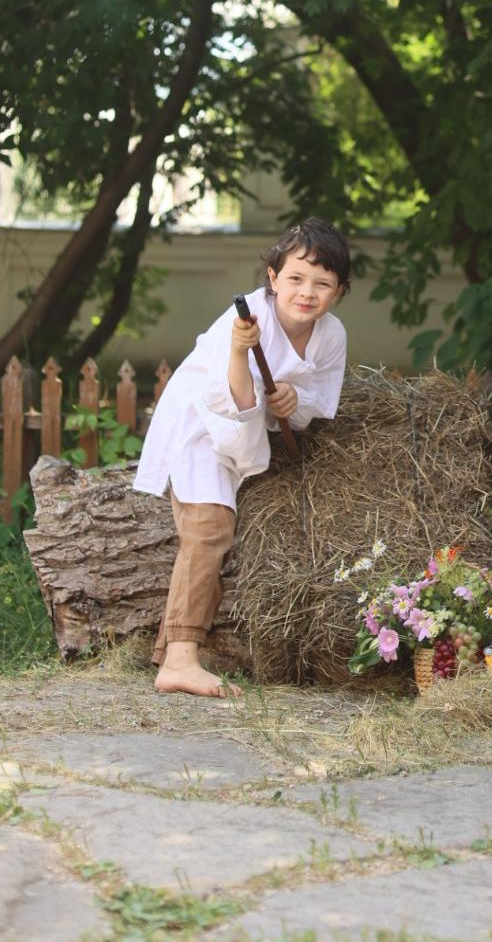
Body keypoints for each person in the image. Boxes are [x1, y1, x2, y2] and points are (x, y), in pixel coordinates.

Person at [134, 217, 351, 697]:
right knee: (209, 527)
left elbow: (318, 402)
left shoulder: (331, 335)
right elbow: (230, 399)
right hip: (203, 425)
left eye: (322, 283)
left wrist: (293, 400)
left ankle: (171, 651)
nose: (306, 292)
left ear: (339, 291)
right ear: (272, 279)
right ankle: (180, 660)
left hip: (245, 437)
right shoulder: (248, 318)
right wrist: (238, 352)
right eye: (295, 278)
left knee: (216, 530)